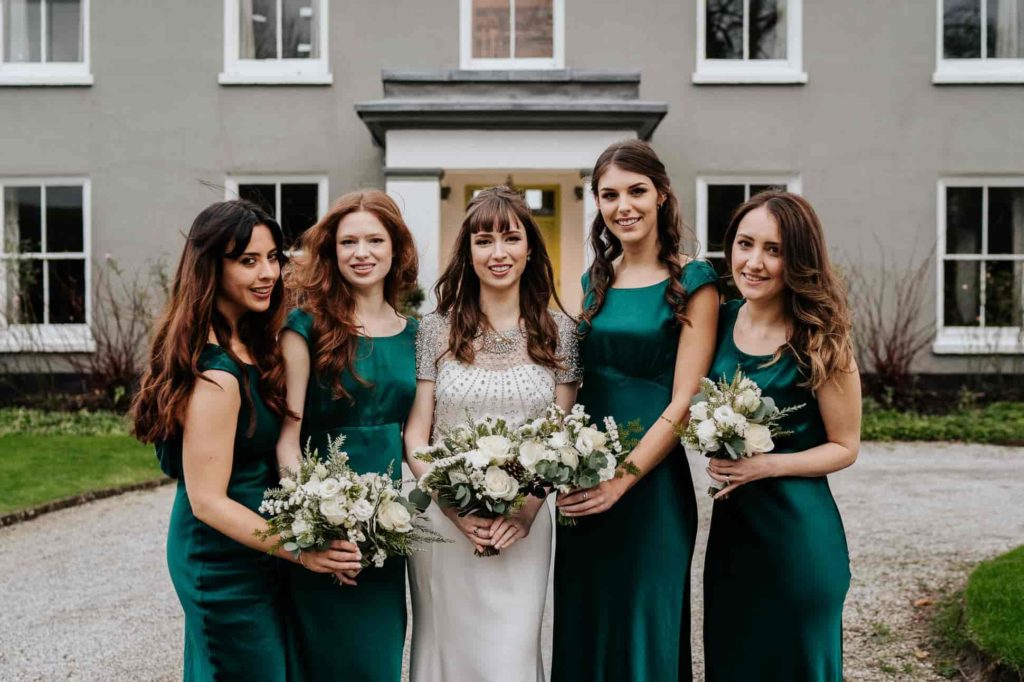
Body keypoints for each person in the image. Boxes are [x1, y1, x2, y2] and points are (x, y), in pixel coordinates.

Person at [552, 140, 719, 682]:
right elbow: (574, 382)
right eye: (609, 195)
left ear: (662, 196)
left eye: (636, 191)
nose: (623, 205)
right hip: (583, 476)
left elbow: (686, 401)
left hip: (650, 487)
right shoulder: (593, 283)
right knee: (587, 618)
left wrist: (621, 481)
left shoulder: (694, 282)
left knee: (644, 622)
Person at [404, 186, 580, 682]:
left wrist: (525, 511)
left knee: (510, 655)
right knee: (447, 652)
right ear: (468, 252)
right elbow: (418, 432)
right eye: (484, 240)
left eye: (511, 238)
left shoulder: (561, 332)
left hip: (524, 522)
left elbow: (560, 438)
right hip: (442, 522)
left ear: (530, 250)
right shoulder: (436, 330)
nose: (498, 253)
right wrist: (449, 504)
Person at [130, 199, 303, 681]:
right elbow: (206, 501)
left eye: (273, 258)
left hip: (256, 550)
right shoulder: (218, 374)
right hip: (221, 561)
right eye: (248, 261)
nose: (268, 272)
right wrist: (301, 549)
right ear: (211, 267)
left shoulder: (249, 342)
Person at [702, 190, 860, 681]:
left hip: (798, 536)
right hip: (733, 538)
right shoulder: (718, 320)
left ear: (798, 259)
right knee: (734, 660)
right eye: (745, 244)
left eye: (774, 250)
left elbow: (845, 446)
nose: (754, 262)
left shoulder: (820, 338)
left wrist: (768, 464)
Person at [276, 189, 420, 681]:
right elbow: (287, 439)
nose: (362, 253)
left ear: (396, 248)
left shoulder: (416, 335)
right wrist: (315, 527)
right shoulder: (306, 327)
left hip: (386, 531)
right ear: (331, 252)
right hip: (322, 525)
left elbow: (416, 441)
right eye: (348, 242)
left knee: (378, 662)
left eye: (375, 240)